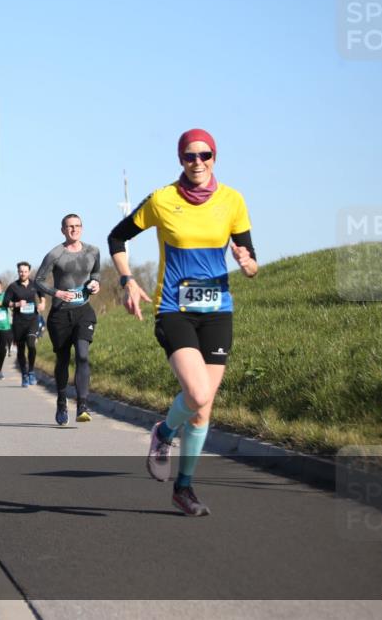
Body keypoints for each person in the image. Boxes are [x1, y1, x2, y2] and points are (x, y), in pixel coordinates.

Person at [108, 128, 257, 517]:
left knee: (204, 409)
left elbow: (251, 259)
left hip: (218, 311)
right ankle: (164, 433)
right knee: (198, 393)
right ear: (180, 159)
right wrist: (127, 280)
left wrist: (247, 263)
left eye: (205, 155)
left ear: (215, 157)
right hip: (174, 308)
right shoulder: (162, 199)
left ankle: (184, 488)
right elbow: (117, 238)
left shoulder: (233, 201)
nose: (198, 163)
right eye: (190, 156)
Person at [34, 214, 101, 425]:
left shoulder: (93, 251)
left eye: (77, 226)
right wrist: (57, 293)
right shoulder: (55, 254)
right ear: (63, 230)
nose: (74, 230)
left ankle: (82, 405)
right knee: (63, 359)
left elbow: (96, 274)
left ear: (82, 228)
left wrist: (95, 284)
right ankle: (62, 401)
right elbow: (38, 281)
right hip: (60, 315)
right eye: (69, 227)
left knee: (82, 355)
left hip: (83, 311)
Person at [3, 262, 43, 387]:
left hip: (33, 320)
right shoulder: (13, 286)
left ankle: (31, 371)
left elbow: (42, 295)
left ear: (29, 272)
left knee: (31, 344)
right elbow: (5, 302)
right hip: (19, 322)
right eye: (21, 271)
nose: (23, 273)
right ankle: (24, 374)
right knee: (21, 350)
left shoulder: (35, 284)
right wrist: (16, 304)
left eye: (25, 271)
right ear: (18, 272)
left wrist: (42, 303)